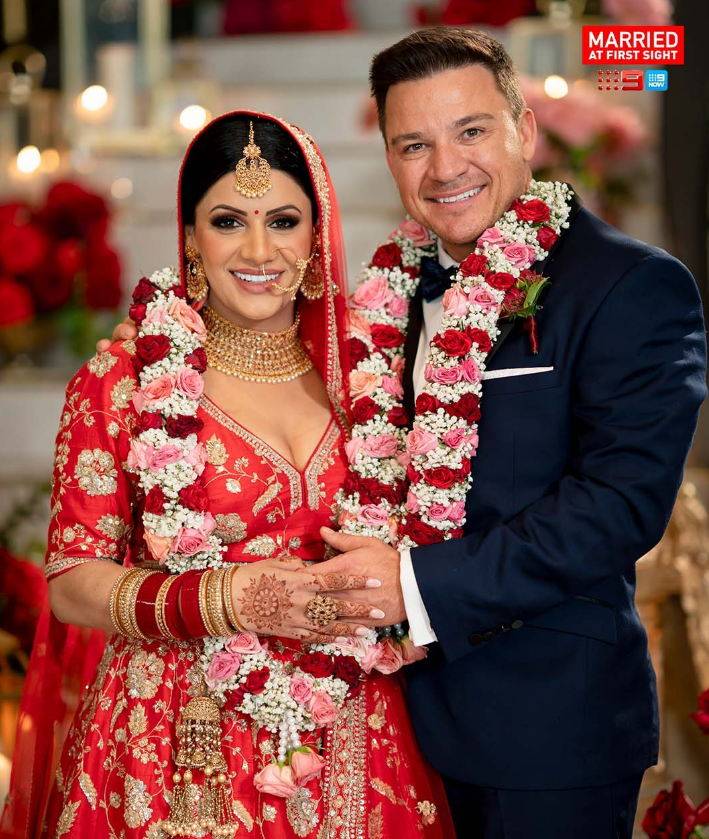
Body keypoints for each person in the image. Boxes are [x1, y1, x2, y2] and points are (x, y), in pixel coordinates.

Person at [0, 112, 454, 839]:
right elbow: (71, 583)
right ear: (188, 237)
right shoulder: (123, 380)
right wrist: (221, 598)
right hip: (180, 734)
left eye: (282, 220)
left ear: (316, 235)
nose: (257, 249)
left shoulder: (365, 375)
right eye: (226, 220)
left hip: (352, 723)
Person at [310, 27, 707, 839]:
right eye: (413, 143)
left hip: (546, 727)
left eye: (470, 131)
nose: (444, 168)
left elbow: (616, 507)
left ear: (523, 131)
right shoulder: (386, 296)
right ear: (388, 159)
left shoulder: (631, 285)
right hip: (387, 724)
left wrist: (412, 587)